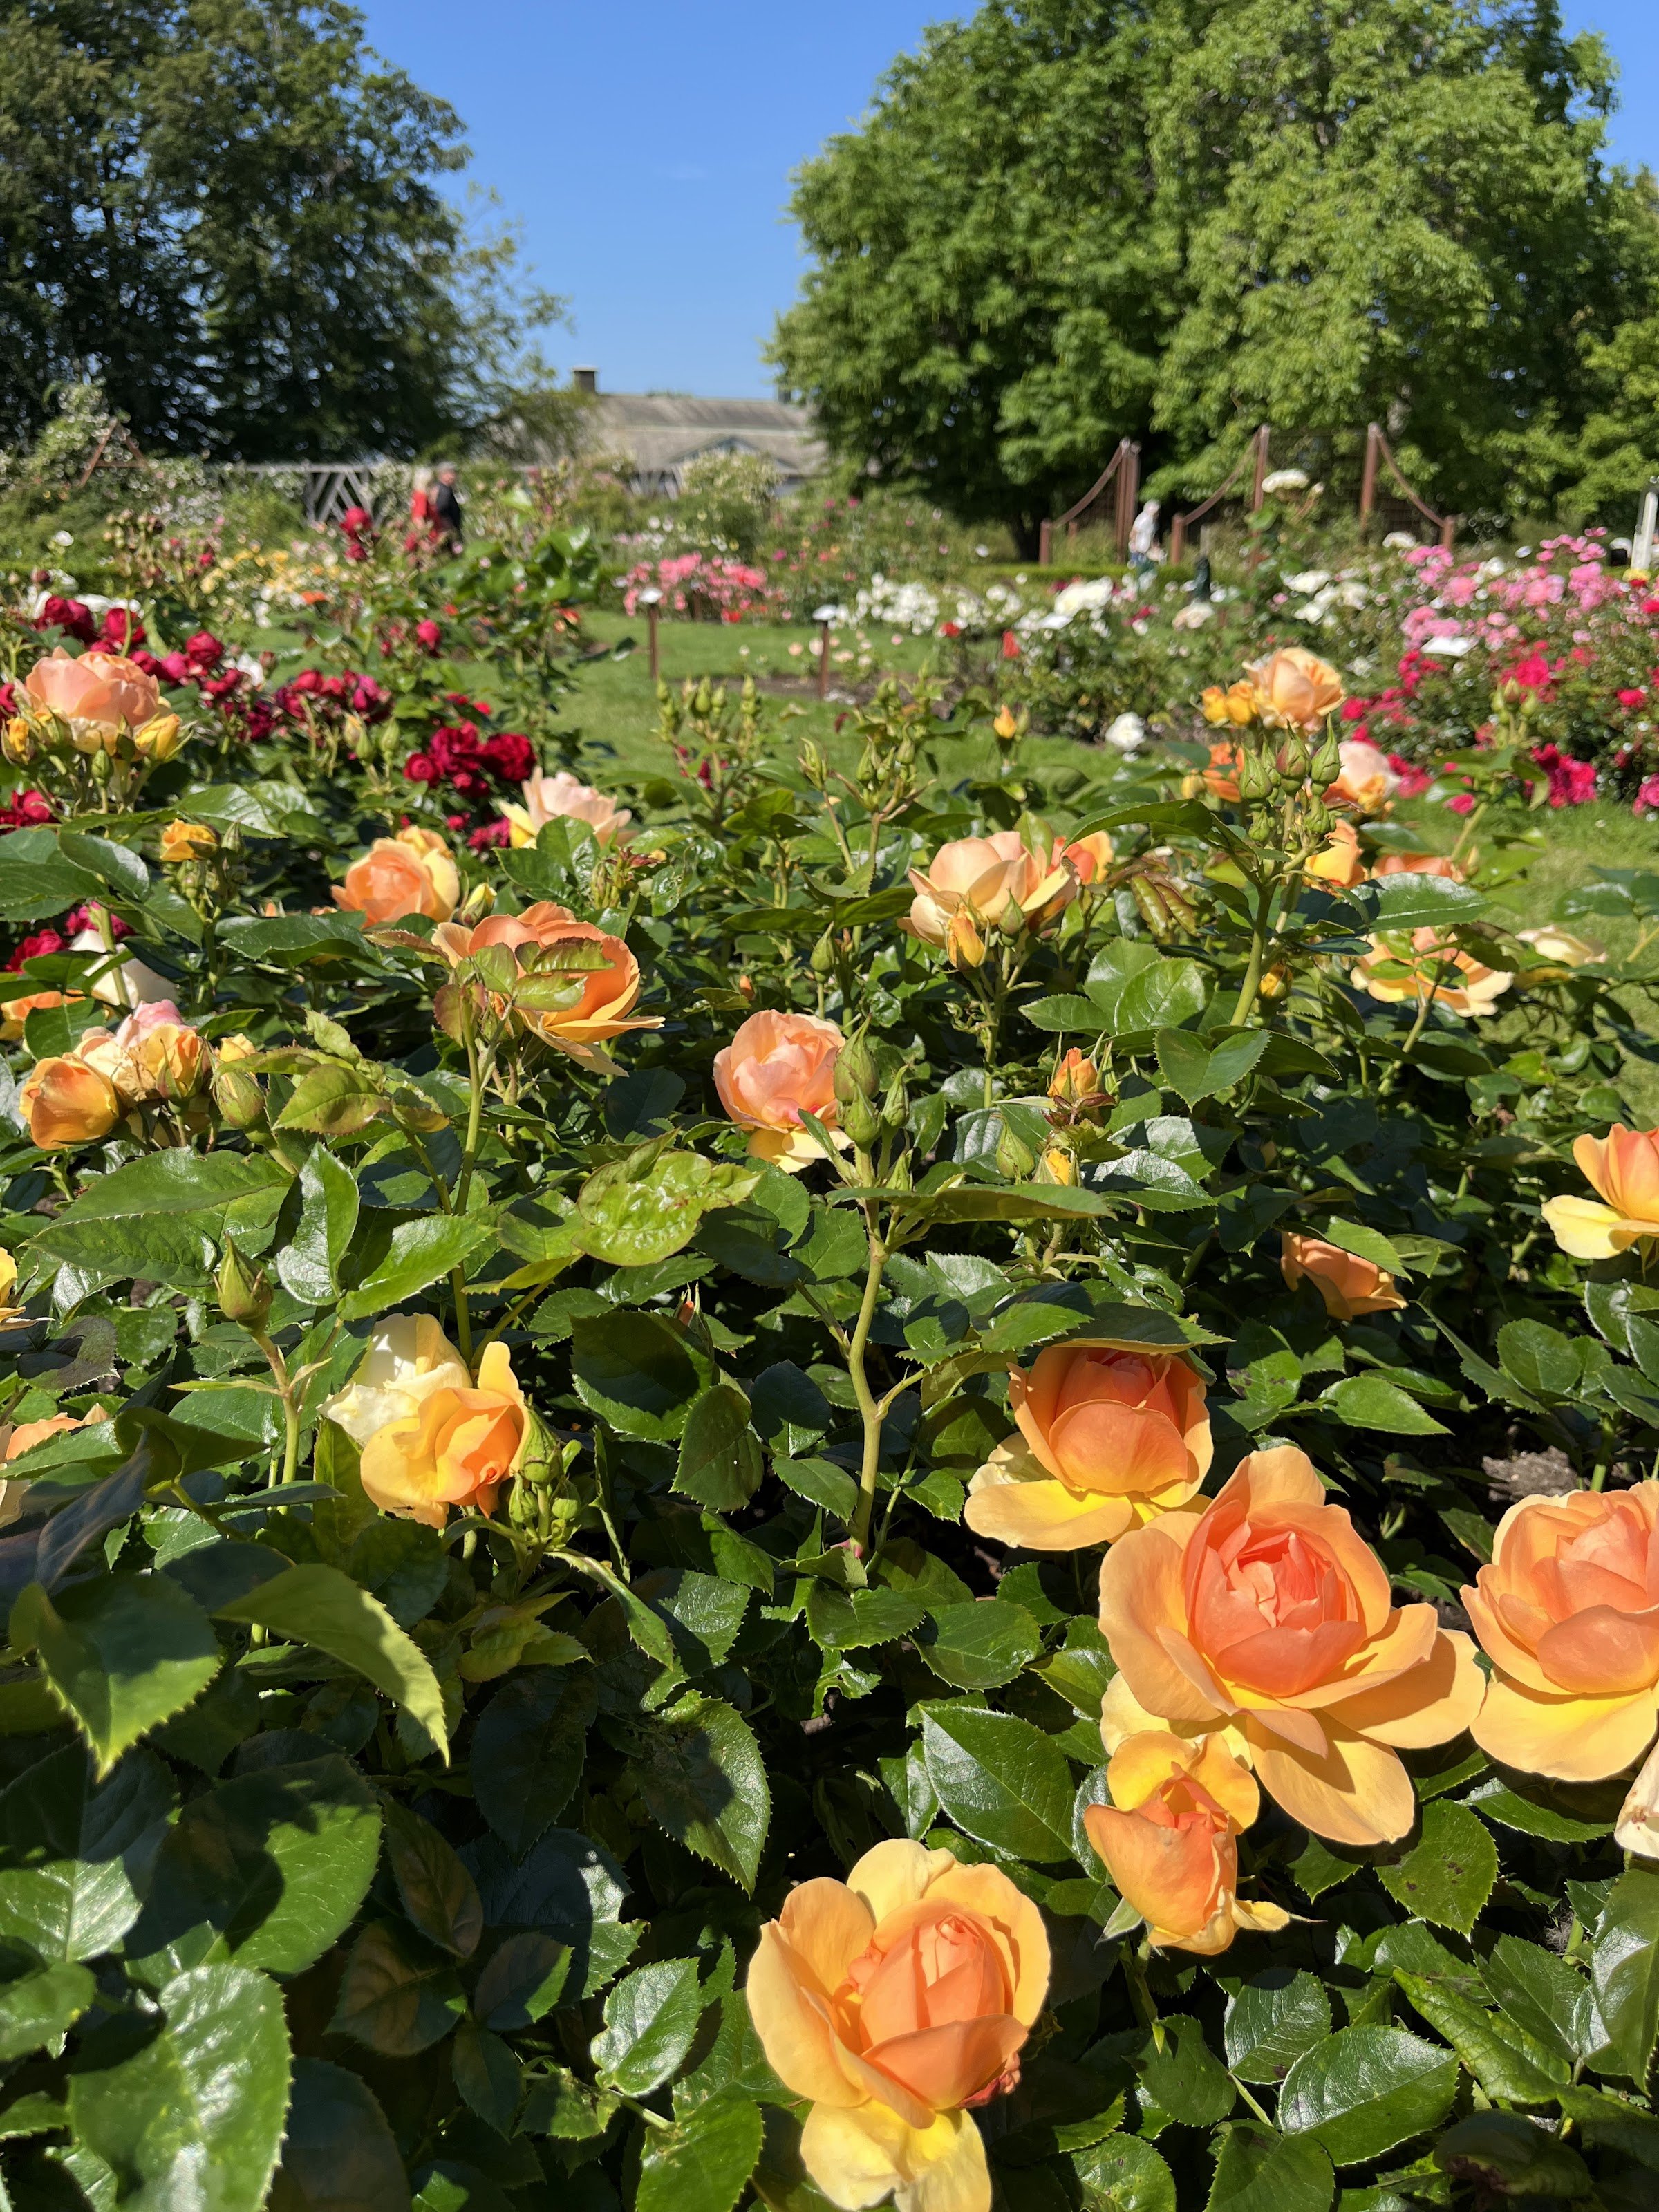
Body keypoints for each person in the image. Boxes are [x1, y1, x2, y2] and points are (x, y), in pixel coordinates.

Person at [431, 465, 464, 552]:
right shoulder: (443, 491)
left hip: (451, 529)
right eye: (452, 473)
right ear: (444, 475)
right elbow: (440, 509)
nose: (454, 476)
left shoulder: (446, 489)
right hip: (447, 530)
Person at [1127, 498, 1161, 574]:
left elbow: (1151, 536)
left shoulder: (1153, 522)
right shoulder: (1144, 519)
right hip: (1138, 550)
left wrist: (1154, 547)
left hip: (1145, 551)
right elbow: (1134, 532)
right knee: (1137, 572)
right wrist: (1134, 545)